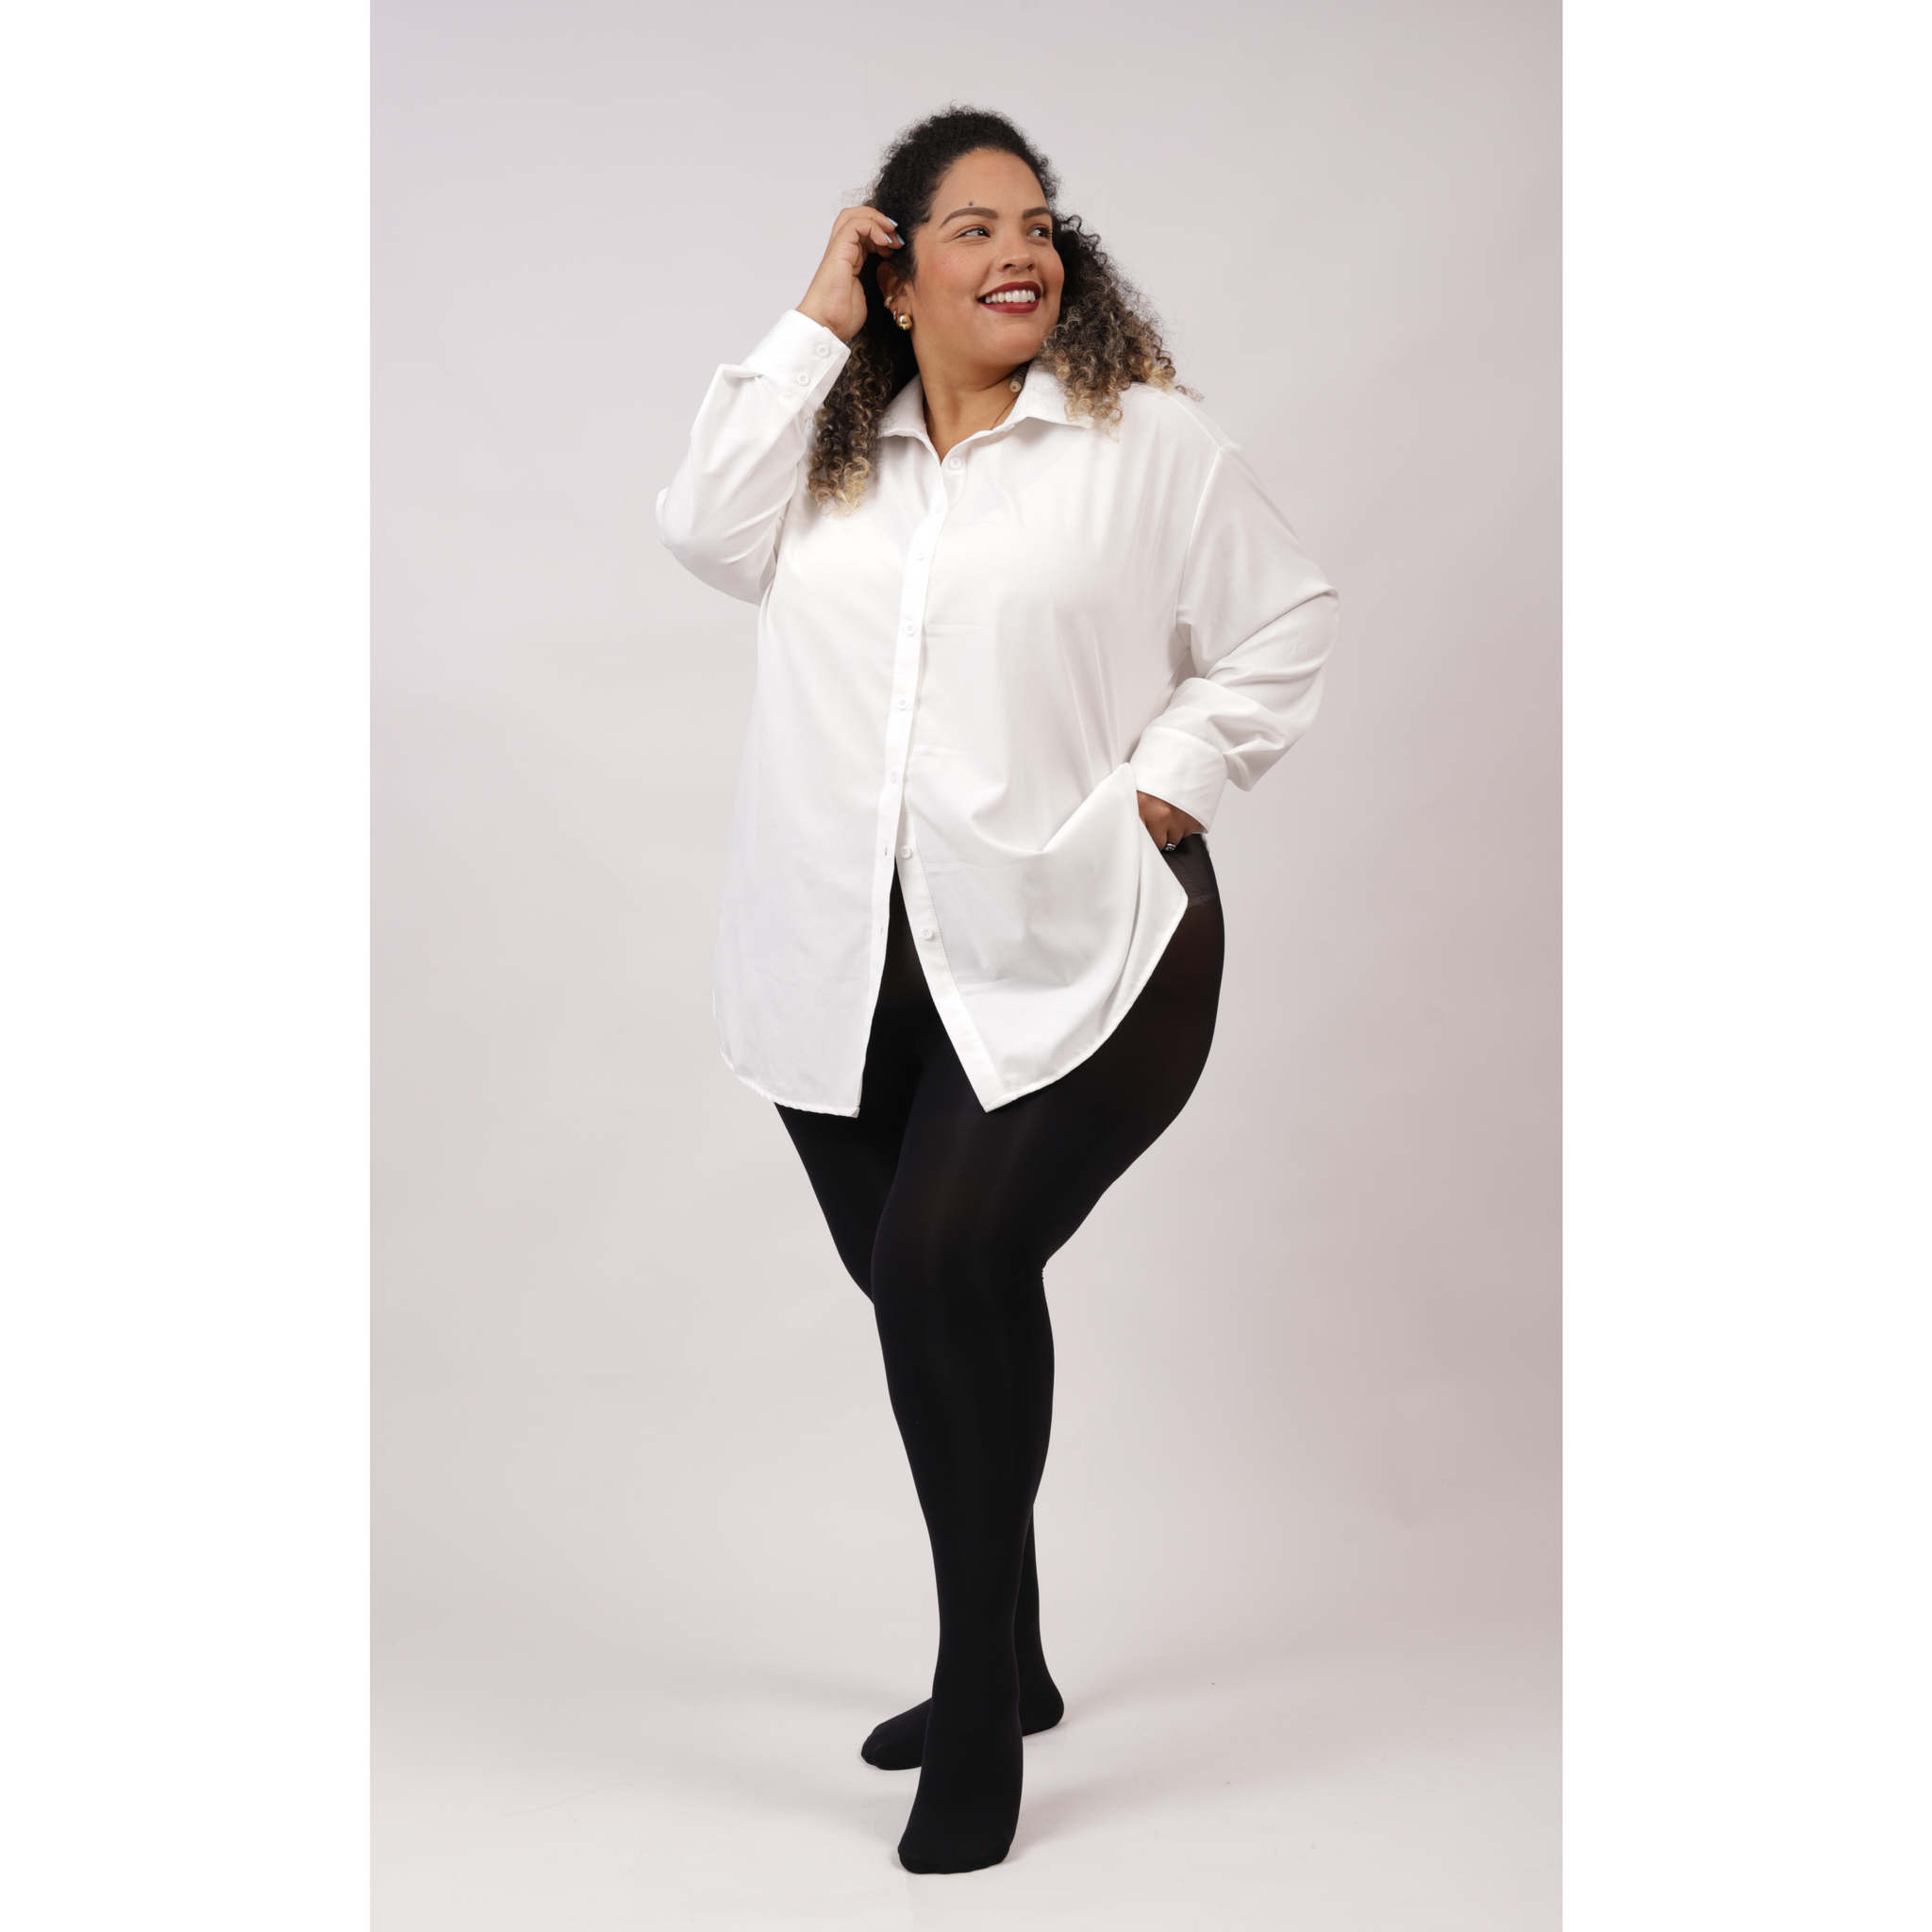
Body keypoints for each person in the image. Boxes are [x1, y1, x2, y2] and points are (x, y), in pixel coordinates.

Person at [658, 106, 1337, 1874]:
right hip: (837, 963)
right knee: (934, 1295)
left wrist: (1171, 783)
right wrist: (814, 314)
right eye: (969, 227)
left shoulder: (1142, 441)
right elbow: (697, 528)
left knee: (946, 1268)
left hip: (1084, 937)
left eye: (1037, 222)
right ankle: (1016, 1653)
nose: (1019, 250)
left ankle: (978, 1705)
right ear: (897, 272)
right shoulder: (822, 456)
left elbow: (1284, 619)